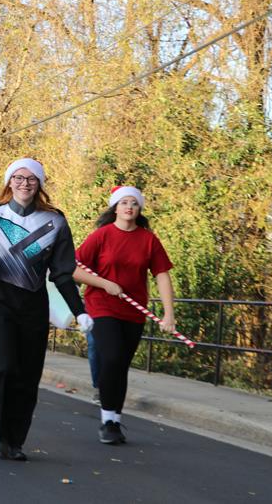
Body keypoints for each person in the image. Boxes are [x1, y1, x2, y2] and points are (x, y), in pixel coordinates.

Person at [0, 158, 93, 462]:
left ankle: (16, 439)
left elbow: (62, 272)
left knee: (28, 374)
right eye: (18, 178)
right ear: (9, 182)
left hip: (34, 303)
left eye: (31, 179)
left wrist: (80, 310)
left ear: (40, 184)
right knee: (6, 366)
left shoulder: (56, 222)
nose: (25, 183)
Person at [74, 186, 175, 445]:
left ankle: (115, 420)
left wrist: (168, 313)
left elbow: (162, 274)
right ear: (115, 208)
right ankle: (107, 420)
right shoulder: (101, 236)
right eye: (124, 202)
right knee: (112, 356)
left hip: (133, 310)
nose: (129, 207)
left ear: (139, 209)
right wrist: (103, 283)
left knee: (120, 365)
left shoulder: (148, 239)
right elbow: (73, 269)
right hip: (102, 306)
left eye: (134, 203)